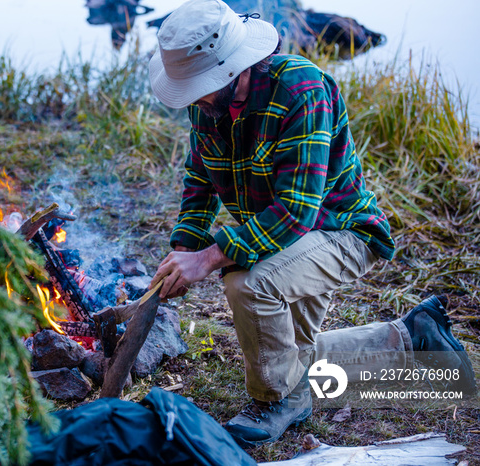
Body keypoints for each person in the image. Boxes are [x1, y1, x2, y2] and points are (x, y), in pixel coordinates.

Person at [147, 0, 476, 447]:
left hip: (339, 231)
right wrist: (185, 248)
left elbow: (295, 212)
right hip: (279, 237)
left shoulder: (301, 90)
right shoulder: (206, 105)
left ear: (231, 70)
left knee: (246, 283)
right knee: (289, 356)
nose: (194, 98)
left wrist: (210, 256)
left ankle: (276, 400)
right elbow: (199, 180)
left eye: (200, 86)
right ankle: (412, 338)